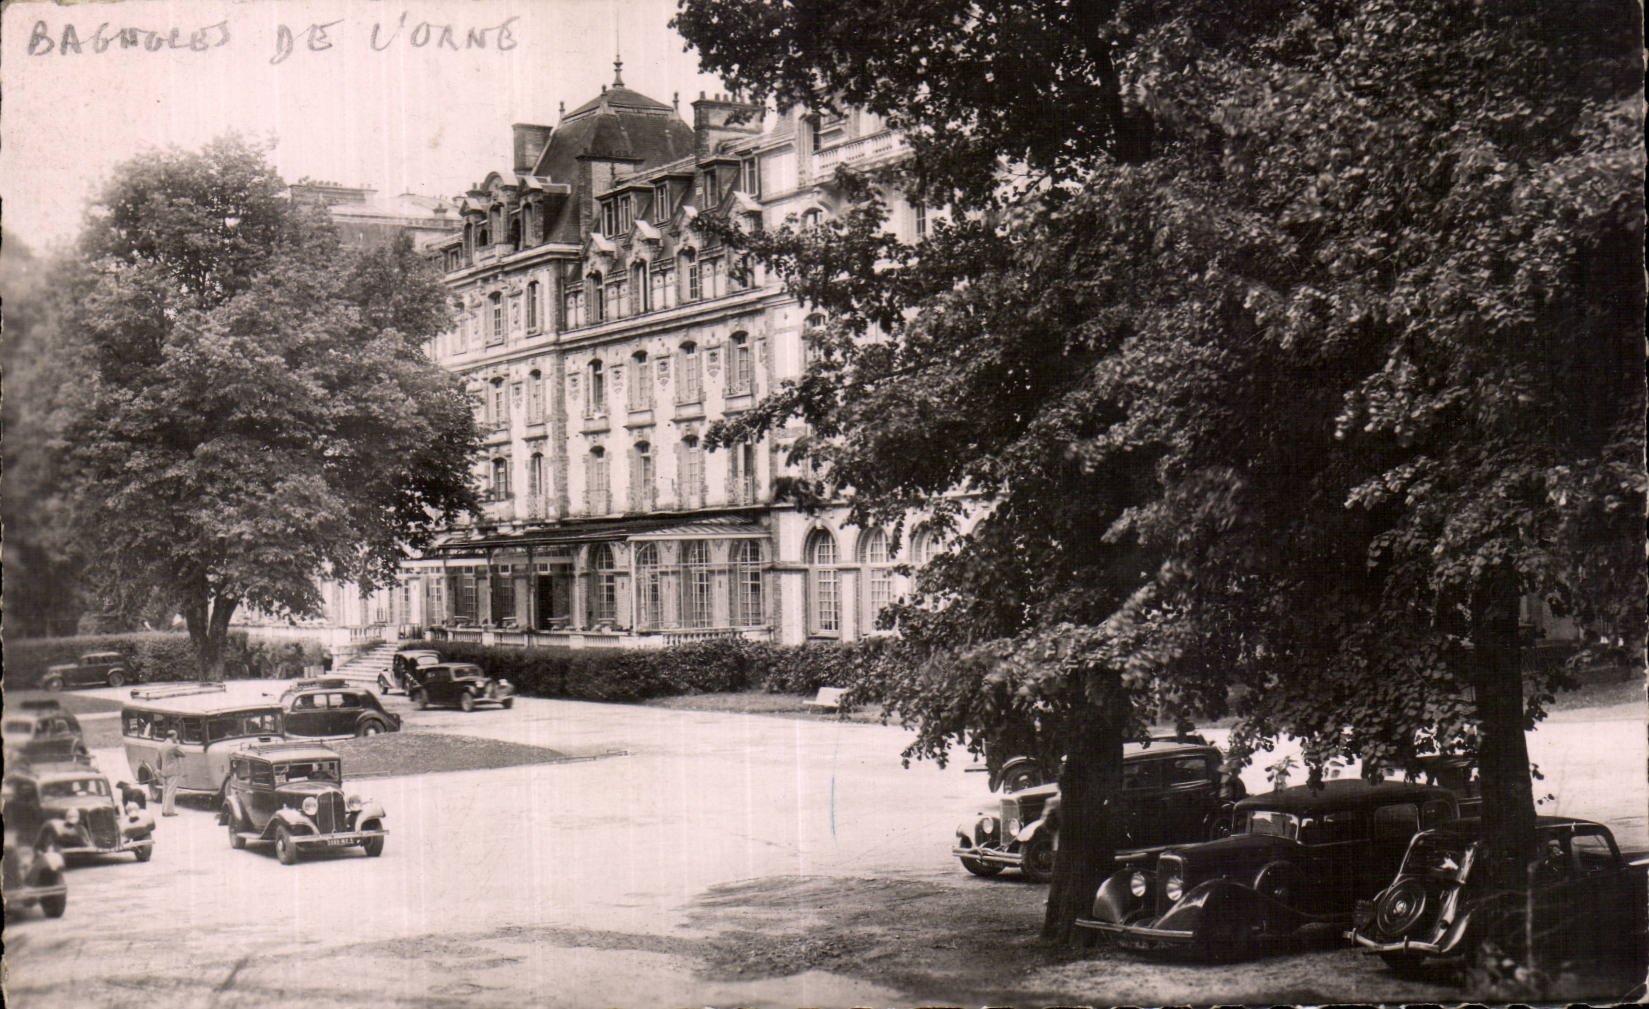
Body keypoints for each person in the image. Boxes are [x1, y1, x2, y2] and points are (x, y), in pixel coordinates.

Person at [158, 729, 184, 816]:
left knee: (165, 791)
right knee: (171, 791)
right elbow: (183, 753)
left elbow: (158, 760)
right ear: (173, 736)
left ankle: (163, 810)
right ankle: (169, 811)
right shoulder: (173, 746)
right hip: (173, 771)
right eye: (176, 736)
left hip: (164, 771)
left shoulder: (161, 746)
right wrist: (178, 744)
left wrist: (159, 770)